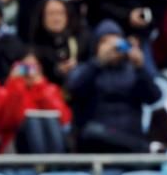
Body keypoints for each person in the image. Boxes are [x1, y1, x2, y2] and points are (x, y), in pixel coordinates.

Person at [67, 19, 160, 153]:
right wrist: (98, 63)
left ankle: (142, 148)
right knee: (93, 131)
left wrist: (141, 69)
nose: (112, 48)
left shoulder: (134, 71)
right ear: (96, 46)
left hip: (130, 138)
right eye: (105, 42)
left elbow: (154, 98)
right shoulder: (86, 69)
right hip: (94, 142)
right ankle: (147, 149)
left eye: (116, 42)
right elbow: (73, 91)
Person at [31, 0, 88, 88]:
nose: (56, 18)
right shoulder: (34, 48)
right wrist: (56, 71)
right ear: (42, 17)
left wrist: (78, 67)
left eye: (60, 13)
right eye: (51, 14)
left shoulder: (82, 39)